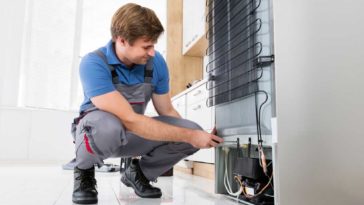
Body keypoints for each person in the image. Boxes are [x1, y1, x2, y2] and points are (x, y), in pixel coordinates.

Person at [71, 3, 223, 204]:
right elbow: (130, 119)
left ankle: (139, 174)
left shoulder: (156, 62)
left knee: (190, 129)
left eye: (153, 45)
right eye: (146, 46)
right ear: (122, 40)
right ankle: (84, 173)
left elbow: (167, 111)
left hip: (133, 132)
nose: (152, 52)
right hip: (99, 133)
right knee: (109, 126)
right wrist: (192, 136)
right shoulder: (93, 63)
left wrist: (194, 136)